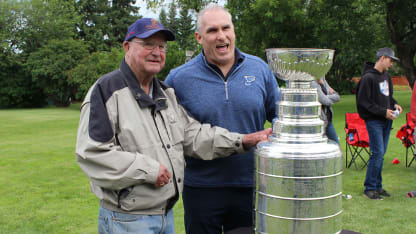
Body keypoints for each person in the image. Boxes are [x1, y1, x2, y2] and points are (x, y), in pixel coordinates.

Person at [75, 17, 272, 234]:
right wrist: (149, 170)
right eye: (148, 44)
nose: (157, 52)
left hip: (164, 216)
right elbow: (92, 153)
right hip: (126, 220)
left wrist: (243, 140)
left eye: (161, 46)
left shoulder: (164, 93)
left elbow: (192, 135)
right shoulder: (107, 90)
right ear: (127, 46)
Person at [165, 4, 280, 233]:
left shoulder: (259, 69)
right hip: (201, 187)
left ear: (234, 31)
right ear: (199, 37)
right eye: (212, 30)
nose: (221, 36)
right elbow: (169, 133)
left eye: (226, 28)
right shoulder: (178, 78)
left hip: (251, 184)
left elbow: (279, 117)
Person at [356, 47, 403, 200]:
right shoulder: (368, 78)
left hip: (386, 121)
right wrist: (383, 112)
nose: (391, 64)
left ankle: (377, 186)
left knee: (380, 155)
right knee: (377, 154)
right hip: (374, 121)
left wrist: (394, 105)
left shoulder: (387, 77)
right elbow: (363, 103)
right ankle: (369, 188)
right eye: (390, 60)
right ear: (382, 58)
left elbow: (387, 97)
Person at [312, 77, 340, 144]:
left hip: (328, 119)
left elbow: (337, 97)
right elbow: (325, 101)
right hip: (320, 121)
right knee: (320, 145)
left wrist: (325, 97)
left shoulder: (323, 80)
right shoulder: (313, 83)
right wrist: (327, 98)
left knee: (335, 143)